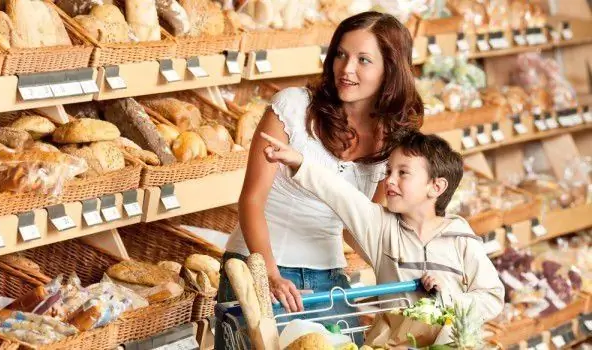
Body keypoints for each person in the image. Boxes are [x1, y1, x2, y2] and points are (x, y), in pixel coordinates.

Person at [215, 10, 423, 347]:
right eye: (341, 54)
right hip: (259, 267)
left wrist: (406, 269)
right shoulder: (294, 108)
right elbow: (252, 200)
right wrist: (269, 275)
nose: (346, 69)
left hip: (329, 278)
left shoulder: (392, 140)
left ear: (391, 70)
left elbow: (362, 226)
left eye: (363, 60)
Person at [260, 130, 505, 321]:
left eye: (403, 173)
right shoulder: (381, 227)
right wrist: (298, 161)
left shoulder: (461, 238)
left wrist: (449, 298)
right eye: (389, 171)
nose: (390, 181)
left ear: (436, 187)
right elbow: (340, 194)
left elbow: (492, 298)